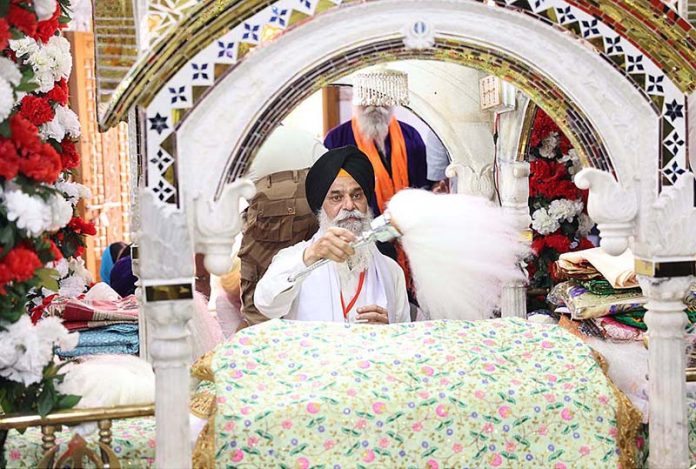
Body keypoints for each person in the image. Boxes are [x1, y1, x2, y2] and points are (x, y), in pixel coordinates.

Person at [254, 146, 410, 324]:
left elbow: (403, 334)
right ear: (321, 207)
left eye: (357, 195)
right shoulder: (296, 258)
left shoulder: (391, 271)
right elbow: (266, 305)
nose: (349, 205)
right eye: (336, 198)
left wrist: (387, 330)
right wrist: (311, 255)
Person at [238, 126, 325, 327]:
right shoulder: (307, 137)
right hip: (316, 211)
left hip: (269, 220)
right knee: (306, 281)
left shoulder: (245, 145)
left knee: (260, 307)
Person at [324, 68, 430, 218]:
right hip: (359, 227)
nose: (375, 105)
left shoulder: (410, 135)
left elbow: (424, 186)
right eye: (367, 99)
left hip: (408, 225)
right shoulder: (336, 139)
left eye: (381, 98)